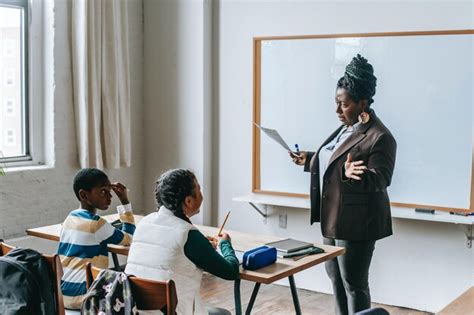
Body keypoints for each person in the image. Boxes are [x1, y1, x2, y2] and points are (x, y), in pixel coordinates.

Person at [290, 54, 397, 315]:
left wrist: (352, 174)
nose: (337, 111)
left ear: (363, 103)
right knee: (335, 279)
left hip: (357, 224)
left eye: (344, 104)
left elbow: (382, 178)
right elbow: (333, 158)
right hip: (333, 217)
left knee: (354, 284)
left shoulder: (380, 137)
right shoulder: (347, 127)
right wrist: (309, 159)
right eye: (336, 103)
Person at [125, 169, 239, 315]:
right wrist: (225, 244)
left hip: (135, 310)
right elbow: (230, 272)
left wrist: (203, 246)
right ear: (189, 201)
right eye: (199, 190)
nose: (202, 195)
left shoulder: (144, 222)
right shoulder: (188, 234)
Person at [58, 168, 136, 309]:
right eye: (103, 192)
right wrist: (125, 201)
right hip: (85, 297)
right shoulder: (97, 224)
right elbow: (129, 238)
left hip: (61, 295)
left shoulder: (69, 219)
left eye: (109, 191)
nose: (109, 197)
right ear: (84, 195)